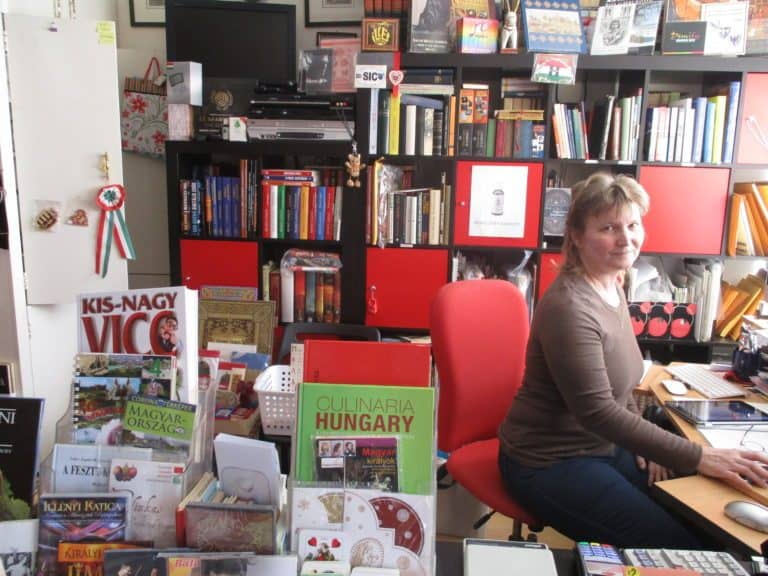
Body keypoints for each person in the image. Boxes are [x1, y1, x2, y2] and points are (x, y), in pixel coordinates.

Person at [497, 172, 768, 548]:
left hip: (602, 446)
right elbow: (598, 412)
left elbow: (621, 385)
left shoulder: (614, 282)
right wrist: (697, 456)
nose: (625, 238)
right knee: (682, 546)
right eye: (608, 228)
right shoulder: (570, 308)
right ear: (576, 236)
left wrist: (649, 443)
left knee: (708, 520)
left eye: (632, 225)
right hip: (549, 461)